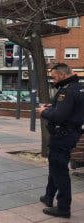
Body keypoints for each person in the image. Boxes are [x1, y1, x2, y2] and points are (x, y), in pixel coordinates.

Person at [37, 63, 84, 218]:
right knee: (55, 166)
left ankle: (63, 208)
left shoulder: (68, 91)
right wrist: (52, 107)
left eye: (54, 76)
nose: (53, 80)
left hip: (63, 135)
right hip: (72, 132)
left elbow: (59, 116)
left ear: (62, 75)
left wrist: (44, 112)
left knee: (59, 170)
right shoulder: (79, 88)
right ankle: (49, 196)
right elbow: (69, 110)